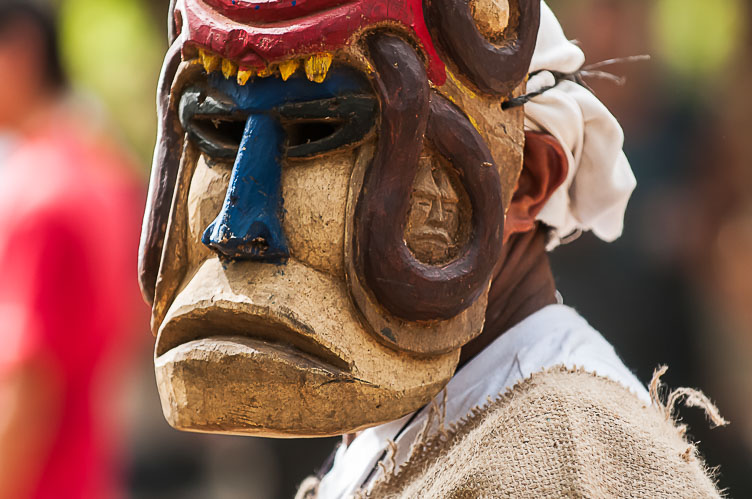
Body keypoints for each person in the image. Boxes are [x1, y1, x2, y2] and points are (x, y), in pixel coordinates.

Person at [140, 0, 725, 496]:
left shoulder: (570, 462)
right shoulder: (411, 428)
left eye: (316, 131)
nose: (235, 227)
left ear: (523, 183)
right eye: (217, 129)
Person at [0, 3, 145, 498]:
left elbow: (24, 387)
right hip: (93, 474)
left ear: (19, 52)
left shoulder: (37, 192)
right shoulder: (105, 172)